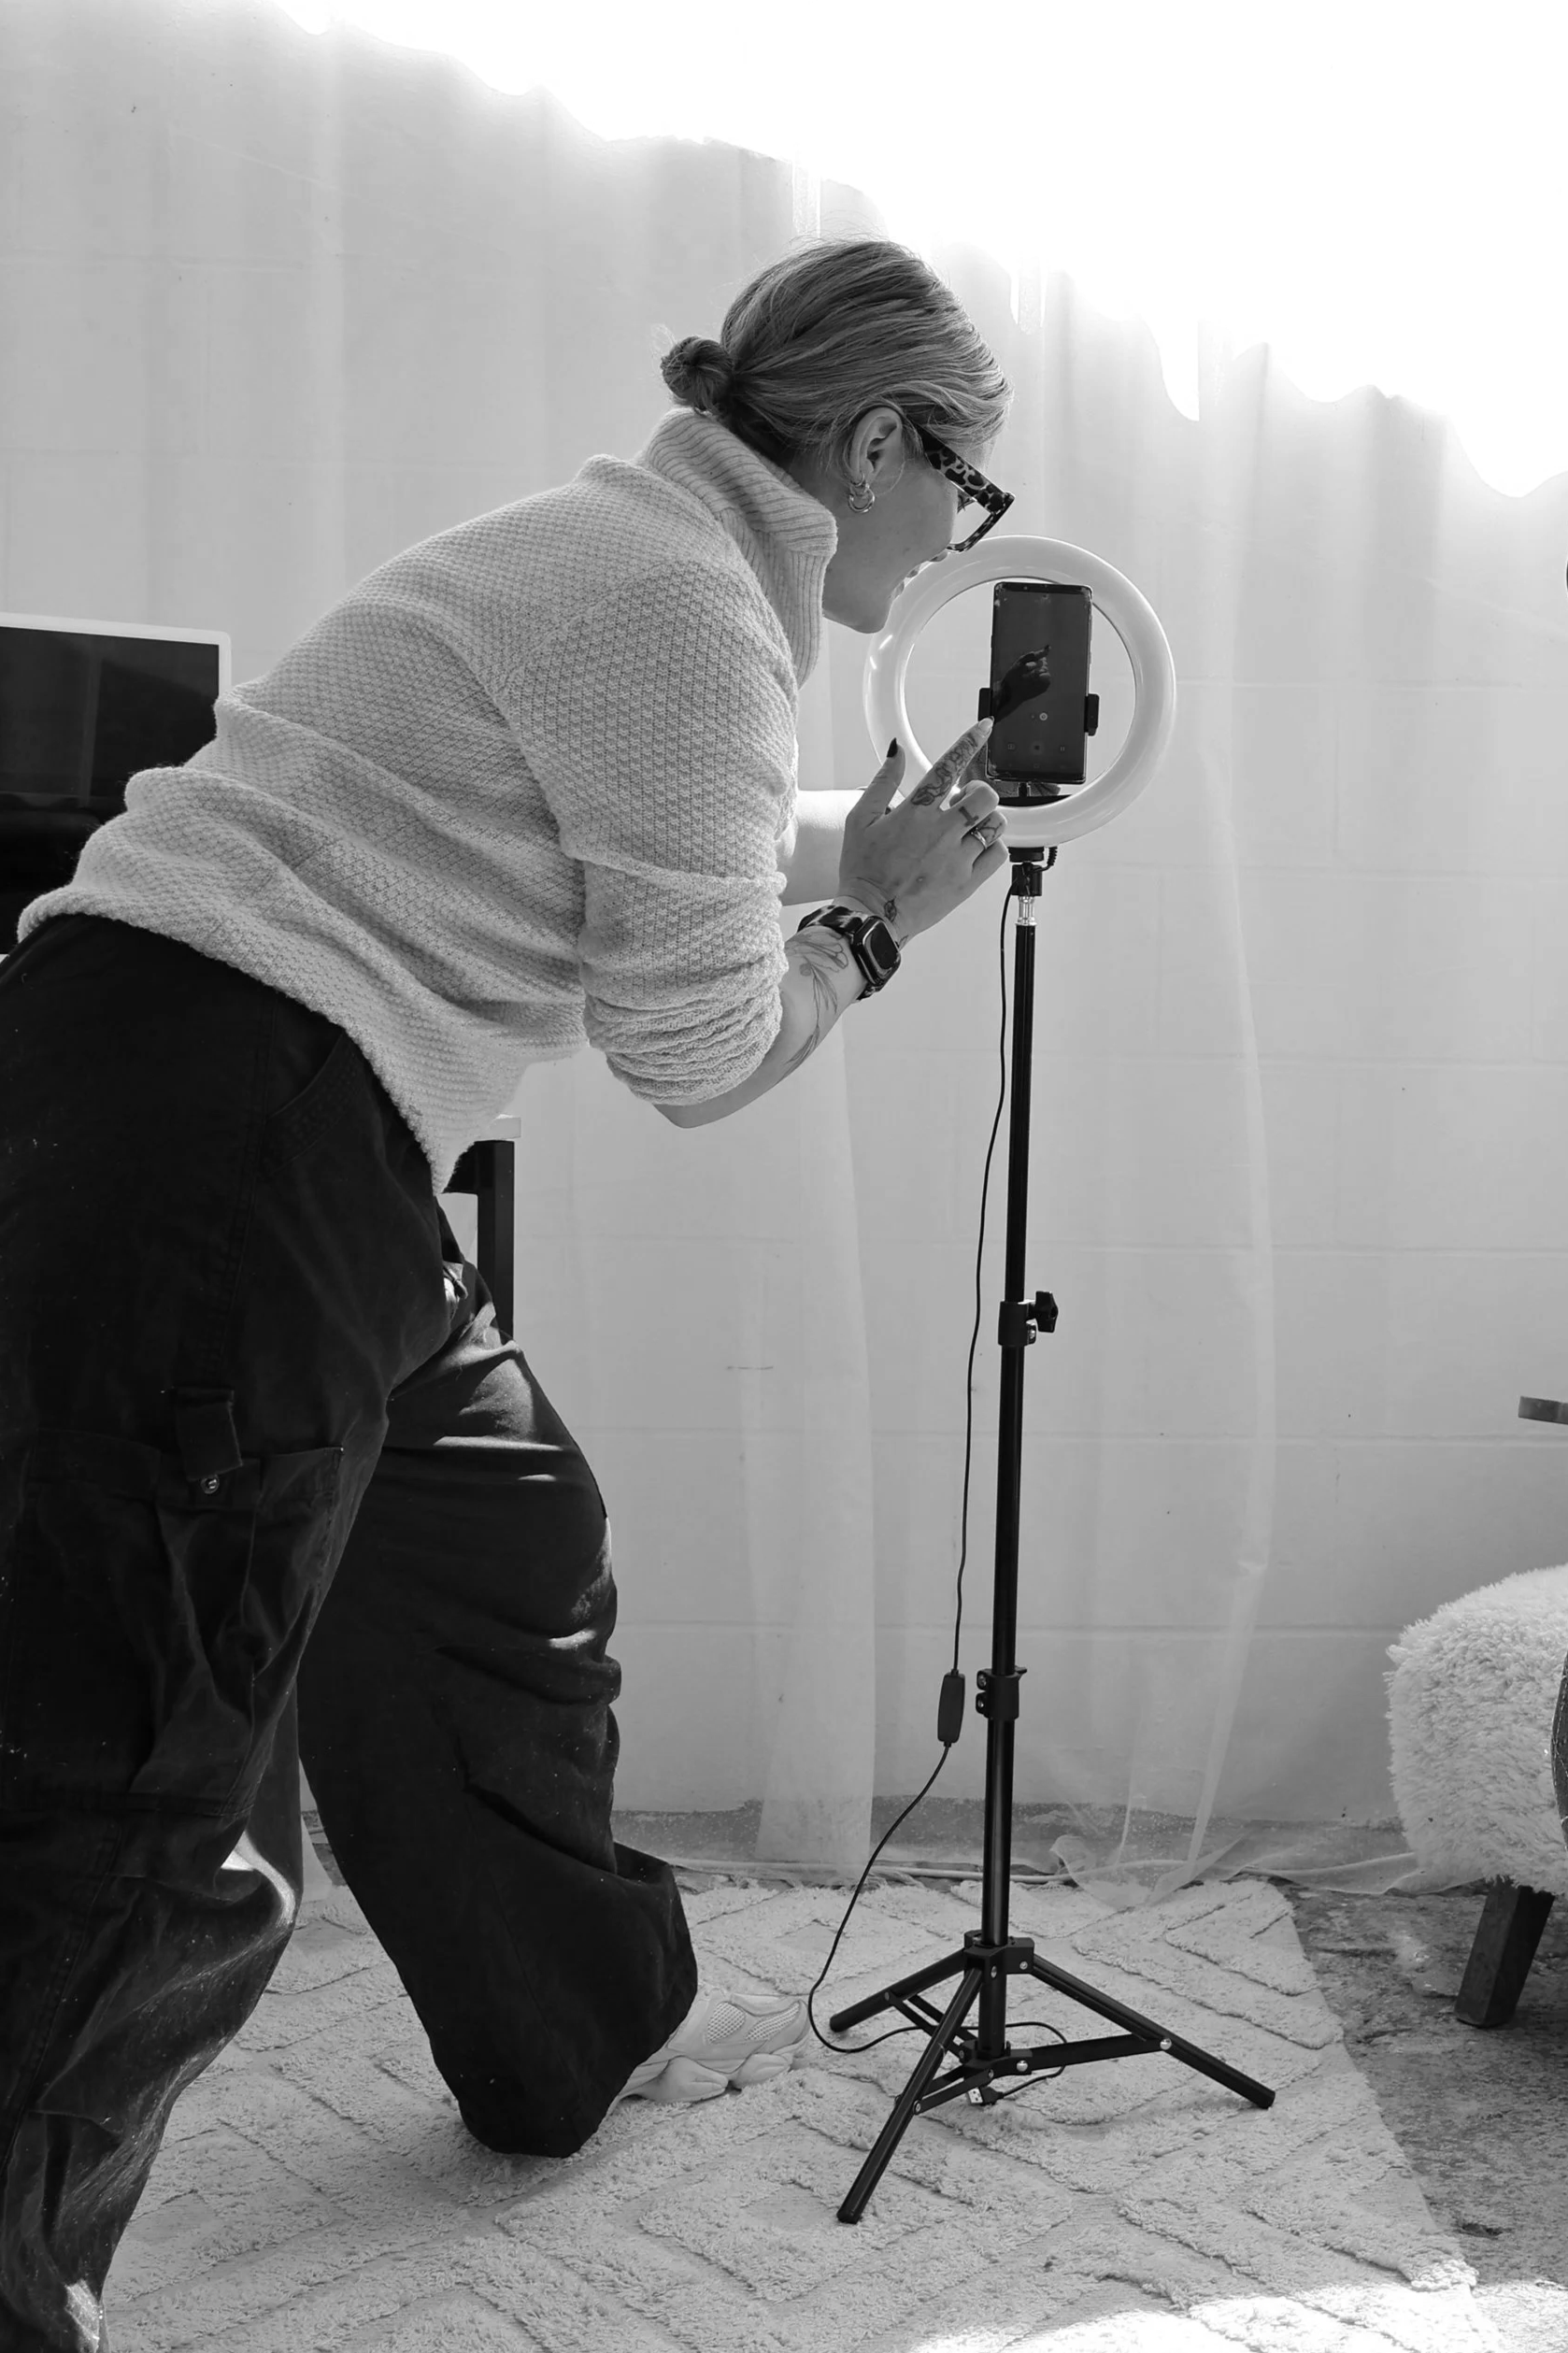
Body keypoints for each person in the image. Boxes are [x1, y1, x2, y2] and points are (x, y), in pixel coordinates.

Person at [0, 235, 1013, 2350]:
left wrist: (854, 859)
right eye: (964, 487)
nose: (954, 536)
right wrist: (874, 933)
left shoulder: (633, 555)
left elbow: (622, 839)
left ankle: (572, 2027)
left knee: (496, 1545)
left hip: (276, 1108)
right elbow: (696, 1047)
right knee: (146, 1773)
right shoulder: (683, 605)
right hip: (229, 1130)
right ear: (879, 441)